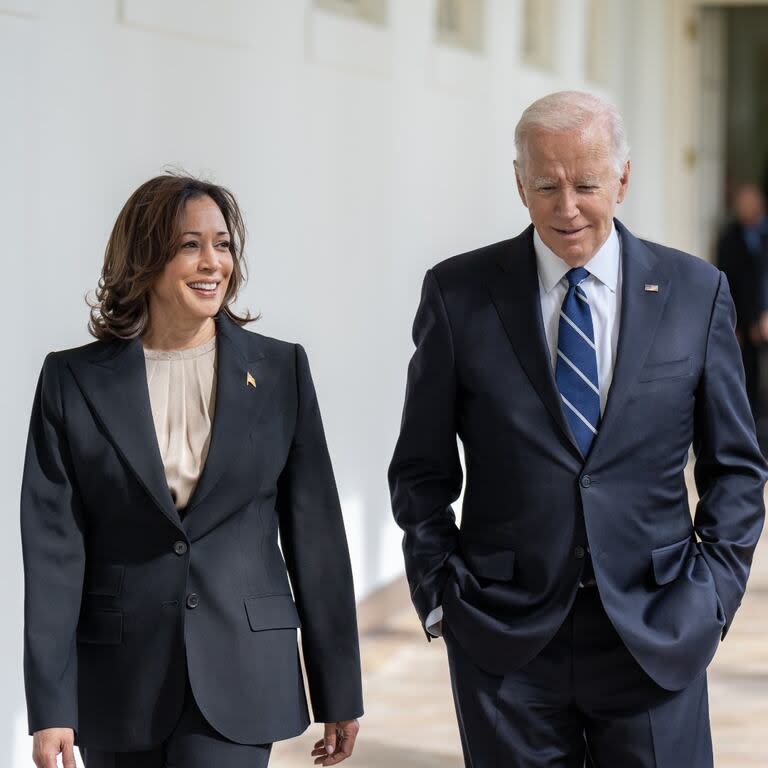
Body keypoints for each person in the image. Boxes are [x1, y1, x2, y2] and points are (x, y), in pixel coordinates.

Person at [389, 91, 767, 767]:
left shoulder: (695, 292)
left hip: (656, 632)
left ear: (623, 179)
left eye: (587, 185)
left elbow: (736, 467)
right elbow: (419, 470)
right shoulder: (458, 295)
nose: (567, 208)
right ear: (519, 183)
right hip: (505, 640)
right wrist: (441, 594)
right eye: (546, 185)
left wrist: (710, 599)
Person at [21, 174, 363, 768]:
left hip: (242, 665)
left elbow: (317, 539)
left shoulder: (281, 371)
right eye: (189, 245)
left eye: (223, 245)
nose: (213, 262)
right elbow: (54, 550)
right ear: (144, 259)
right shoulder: (70, 380)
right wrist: (51, 705)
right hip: (118, 678)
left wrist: (339, 688)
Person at [716, 182, 768, 420]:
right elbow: (726, 283)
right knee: (748, 378)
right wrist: (734, 323)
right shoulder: (729, 239)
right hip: (744, 320)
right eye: (742, 204)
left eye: (750, 204)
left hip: (764, 313)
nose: (745, 209)